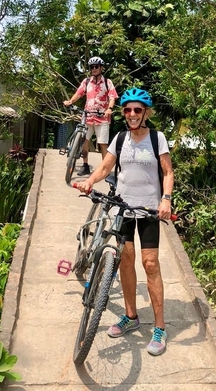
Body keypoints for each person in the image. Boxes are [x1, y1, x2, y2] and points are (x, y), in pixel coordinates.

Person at [76, 87, 174, 356]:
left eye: (137, 110)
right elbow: (106, 167)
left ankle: (160, 327)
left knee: (150, 263)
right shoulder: (120, 139)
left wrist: (166, 199)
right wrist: (89, 181)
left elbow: (167, 172)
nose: (132, 114)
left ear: (146, 113)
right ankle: (131, 317)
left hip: (149, 210)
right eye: (128, 110)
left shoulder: (157, 138)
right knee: (126, 259)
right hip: (123, 207)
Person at [63, 56, 119, 175]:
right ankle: (85, 165)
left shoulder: (107, 82)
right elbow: (78, 94)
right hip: (87, 116)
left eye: (96, 66)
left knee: (102, 144)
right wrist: (70, 101)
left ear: (101, 68)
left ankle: (104, 169)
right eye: (91, 67)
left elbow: (112, 97)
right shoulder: (86, 81)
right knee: (84, 141)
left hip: (102, 118)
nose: (94, 69)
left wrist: (109, 108)